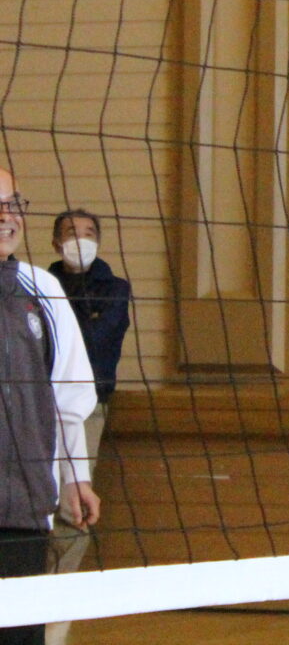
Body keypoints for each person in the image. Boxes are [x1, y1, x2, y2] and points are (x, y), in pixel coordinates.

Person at [0, 170, 100, 645]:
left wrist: (76, 477)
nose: (6, 216)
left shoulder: (42, 289)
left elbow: (68, 396)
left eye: (14, 202)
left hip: (21, 510)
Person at [43, 209, 131, 635]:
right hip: (31, 405)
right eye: (70, 233)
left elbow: (92, 346)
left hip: (86, 408)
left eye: (88, 232)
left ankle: (54, 621)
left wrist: (62, 319)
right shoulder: (36, 285)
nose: (80, 239)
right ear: (55, 243)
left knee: (72, 510)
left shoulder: (115, 289)